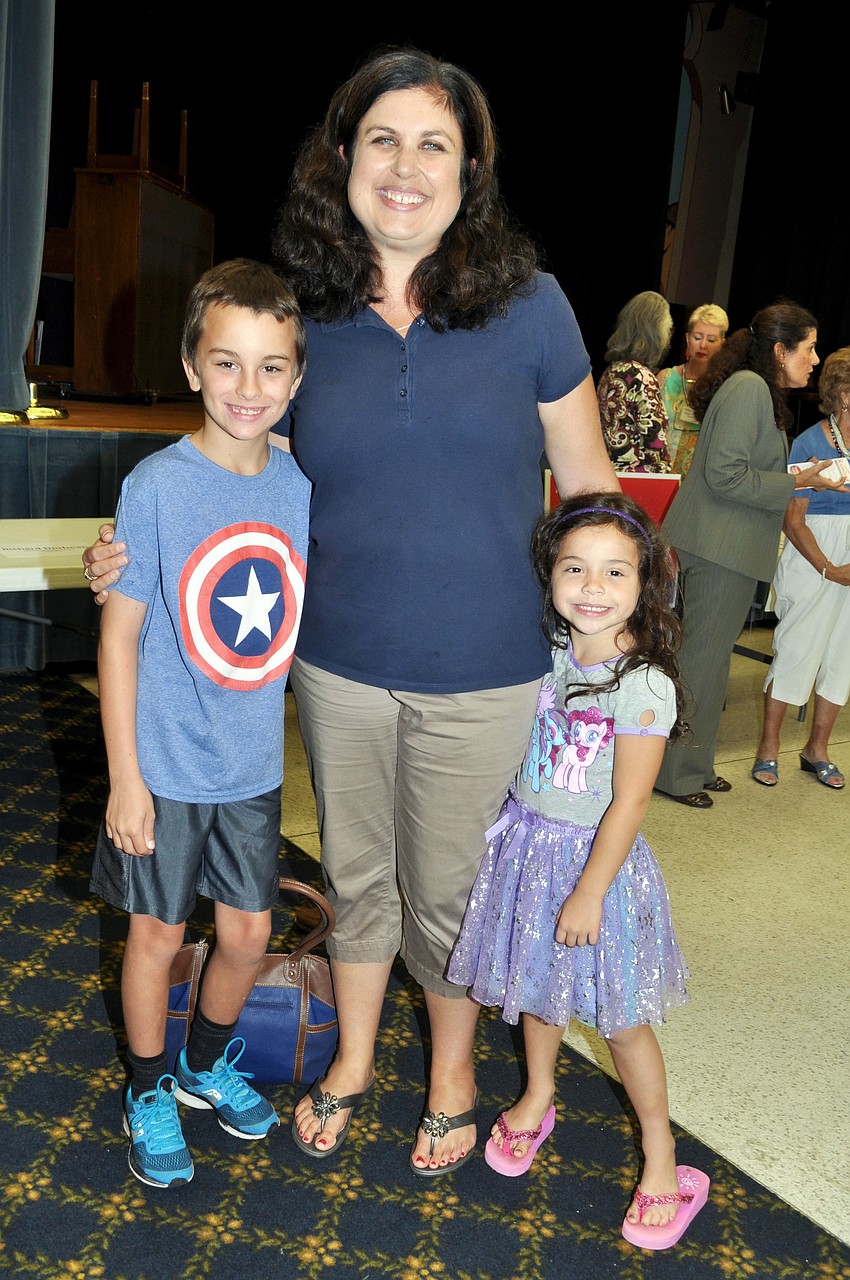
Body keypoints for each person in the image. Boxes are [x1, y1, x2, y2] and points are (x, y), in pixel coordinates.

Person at [82, 48, 618, 1176]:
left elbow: (589, 493)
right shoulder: (307, 311)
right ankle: (355, 1060)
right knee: (361, 882)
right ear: (344, 157)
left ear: (470, 171)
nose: (407, 166)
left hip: (487, 668)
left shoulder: (533, 306)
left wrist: (605, 655)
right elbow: (244, 446)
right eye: (383, 139)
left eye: (436, 143)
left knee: (455, 896)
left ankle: (453, 1077)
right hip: (334, 666)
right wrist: (131, 550)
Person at [90, 259, 310, 1187]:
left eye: (271, 367)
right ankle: (146, 1086)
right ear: (190, 365)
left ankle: (200, 1064)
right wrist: (126, 779)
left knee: (249, 935)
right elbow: (121, 637)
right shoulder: (158, 486)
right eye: (227, 364)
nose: (248, 388)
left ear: (297, 379)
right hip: (167, 770)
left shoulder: (297, 481)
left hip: (252, 767)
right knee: (155, 937)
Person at [448, 492, 710, 1250]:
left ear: (645, 583)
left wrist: (591, 889)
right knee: (537, 986)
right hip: (527, 850)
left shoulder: (644, 683)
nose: (592, 587)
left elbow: (629, 803)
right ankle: (537, 1095)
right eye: (575, 569)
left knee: (622, 1020)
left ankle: (662, 1159)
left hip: (599, 868)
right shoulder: (551, 651)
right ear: (550, 575)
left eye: (614, 572)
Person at [652, 302, 846, 808]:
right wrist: (794, 480)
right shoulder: (748, 389)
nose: (814, 358)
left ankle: (694, 765)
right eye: (808, 348)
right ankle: (676, 775)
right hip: (719, 546)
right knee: (700, 664)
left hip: (725, 545)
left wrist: (796, 480)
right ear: (780, 350)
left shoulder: (754, 389)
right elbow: (726, 474)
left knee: (710, 666)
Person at [753, 346, 850, 789]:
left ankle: (817, 750)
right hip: (815, 557)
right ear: (844, 393)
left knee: (842, 657)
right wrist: (829, 569)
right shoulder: (810, 441)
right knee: (796, 651)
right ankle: (768, 748)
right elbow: (793, 521)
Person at [596, 291, 674, 473]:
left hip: (609, 477)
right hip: (639, 484)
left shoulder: (610, 373)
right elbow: (656, 449)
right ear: (654, 332)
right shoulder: (642, 377)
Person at [657, 303, 729, 476]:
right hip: (663, 475)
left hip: (702, 480)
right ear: (688, 339)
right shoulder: (665, 378)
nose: (703, 345)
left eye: (711, 340)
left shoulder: (726, 387)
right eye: (697, 337)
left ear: (722, 344)